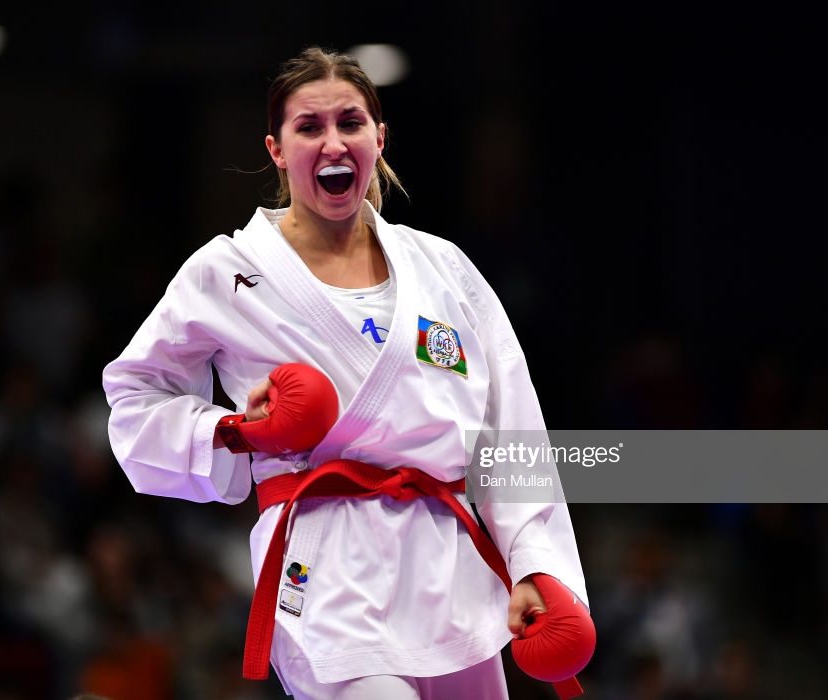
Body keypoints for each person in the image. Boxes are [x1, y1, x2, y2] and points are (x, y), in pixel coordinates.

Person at [103, 46, 591, 700]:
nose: (333, 141)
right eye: (309, 127)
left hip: (445, 565)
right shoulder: (227, 272)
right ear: (277, 149)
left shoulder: (444, 271)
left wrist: (537, 565)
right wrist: (233, 432)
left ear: (378, 139)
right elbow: (135, 399)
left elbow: (511, 434)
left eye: (350, 122)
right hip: (325, 564)